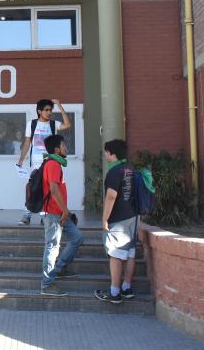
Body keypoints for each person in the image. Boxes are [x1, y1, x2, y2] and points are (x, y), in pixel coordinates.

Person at [38, 134, 84, 297]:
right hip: (53, 214)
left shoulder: (55, 164)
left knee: (77, 237)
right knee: (52, 247)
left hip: (60, 213)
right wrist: (66, 211)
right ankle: (47, 284)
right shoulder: (53, 164)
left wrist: (66, 211)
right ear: (57, 149)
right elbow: (54, 190)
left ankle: (60, 268)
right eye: (64, 146)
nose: (66, 148)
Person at [94, 139, 138, 304]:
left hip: (118, 218)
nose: (105, 155)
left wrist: (105, 219)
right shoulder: (131, 169)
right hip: (133, 216)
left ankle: (114, 292)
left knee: (115, 254)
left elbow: (111, 196)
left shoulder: (114, 172)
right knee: (130, 253)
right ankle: (127, 288)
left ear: (112, 154)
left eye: (107, 152)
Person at [16, 99, 71, 225]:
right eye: (46, 110)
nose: (49, 112)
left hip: (50, 162)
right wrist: (20, 160)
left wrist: (60, 106)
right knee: (32, 188)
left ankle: (44, 215)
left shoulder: (53, 124)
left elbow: (67, 125)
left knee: (48, 189)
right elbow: (27, 143)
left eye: (51, 110)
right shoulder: (32, 124)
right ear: (39, 111)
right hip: (36, 162)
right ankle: (27, 215)